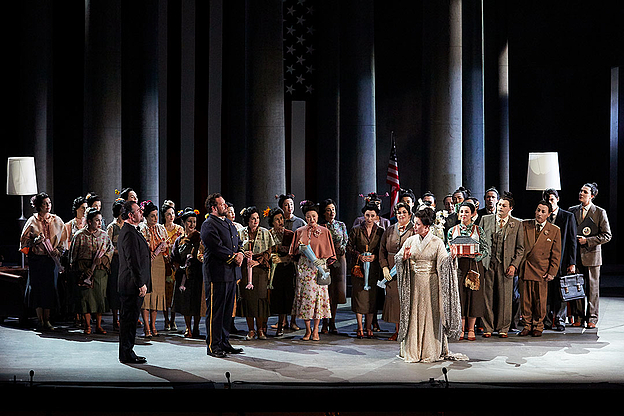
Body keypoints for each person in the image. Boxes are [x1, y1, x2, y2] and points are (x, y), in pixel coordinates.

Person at [394, 207, 464, 363]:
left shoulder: (437, 242)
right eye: (415, 223)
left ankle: (429, 350)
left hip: (431, 284)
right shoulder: (411, 240)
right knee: (413, 315)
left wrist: (451, 258)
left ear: (426, 226)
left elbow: (443, 263)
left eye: (418, 224)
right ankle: (413, 350)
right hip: (414, 283)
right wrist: (403, 259)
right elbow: (398, 258)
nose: (414, 227)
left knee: (430, 315)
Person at [201, 193, 245, 358]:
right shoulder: (208, 225)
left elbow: (238, 242)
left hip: (231, 274)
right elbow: (216, 247)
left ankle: (224, 342)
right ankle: (213, 346)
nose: (225, 206)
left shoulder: (228, 223)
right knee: (216, 312)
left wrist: (240, 253)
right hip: (217, 274)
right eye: (222, 204)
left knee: (227, 312)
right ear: (214, 207)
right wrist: (234, 257)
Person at [289, 200, 336, 341]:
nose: (311, 219)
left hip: (319, 268)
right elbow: (293, 252)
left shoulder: (324, 231)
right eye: (308, 217)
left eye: (314, 216)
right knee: (306, 300)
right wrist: (300, 248)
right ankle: (308, 330)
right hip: (304, 268)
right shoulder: (299, 231)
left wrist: (322, 262)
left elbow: (330, 253)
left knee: (318, 300)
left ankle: (316, 329)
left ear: (317, 216)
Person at [480, 192, 525, 338]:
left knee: (505, 297)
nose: (500, 207)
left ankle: (503, 328)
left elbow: (520, 249)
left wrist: (514, 265)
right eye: (499, 205)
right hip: (488, 263)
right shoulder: (485, 220)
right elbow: (479, 242)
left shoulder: (517, 224)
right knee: (487, 296)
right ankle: (487, 326)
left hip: (506, 265)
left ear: (510, 208)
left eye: (504, 206)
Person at [568, 182, 611, 329]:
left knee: (592, 289)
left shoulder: (599, 212)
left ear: (592, 196)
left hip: (592, 256)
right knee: (577, 287)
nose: (581, 193)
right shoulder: (572, 211)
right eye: (581, 191)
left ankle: (592, 318)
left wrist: (588, 241)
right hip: (576, 256)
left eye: (585, 192)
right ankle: (578, 316)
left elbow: (607, 235)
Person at [20, 192, 65, 331]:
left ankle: (48, 319)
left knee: (50, 288)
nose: (48, 206)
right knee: (38, 289)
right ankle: (40, 320)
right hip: (37, 259)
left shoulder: (56, 220)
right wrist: (34, 241)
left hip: (50, 259)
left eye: (49, 203)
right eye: (45, 203)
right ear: (39, 206)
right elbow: (23, 241)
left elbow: (64, 239)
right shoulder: (32, 221)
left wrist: (59, 250)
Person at [447, 201, 489, 341]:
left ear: (473, 214)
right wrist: (452, 254)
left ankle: (471, 329)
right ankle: (461, 328)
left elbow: (485, 250)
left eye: (467, 212)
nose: (463, 214)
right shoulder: (452, 231)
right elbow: (447, 249)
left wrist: (476, 257)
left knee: (474, 297)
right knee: (460, 297)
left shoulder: (478, 230)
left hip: (474, 266)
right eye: (461, 212)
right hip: (458, 266)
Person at [518, 200, 562, 337]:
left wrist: (552, 272)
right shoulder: (525, 225)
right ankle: (526, 325)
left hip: (542, 270)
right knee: (525, 299)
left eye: (543, 211)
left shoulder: (554, 230)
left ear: (549, 214)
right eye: (538, 210)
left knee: (540, 300)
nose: (539, 214)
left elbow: (556, 254)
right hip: (525, 268)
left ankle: (538, 325)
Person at [69, 207, 114, 334]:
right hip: (84, 271)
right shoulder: (79, 235)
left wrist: (104, 259)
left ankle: (98, 325)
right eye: (96, 220)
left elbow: (110, 250)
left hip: (100, 271)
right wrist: (82, 268)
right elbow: (73, 255)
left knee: (99, 298)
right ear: (89, 221)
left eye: (100, 220)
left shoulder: (104, 235)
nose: (99, 223)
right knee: (85, 299)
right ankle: (87, 325)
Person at [117, 200, 150, 364]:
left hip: (131, 284)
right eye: (138, 210)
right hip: (131, 285)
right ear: (131, 215)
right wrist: (140, 283)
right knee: (128, 321)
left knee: (129, 320)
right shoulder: (129, 233)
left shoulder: (132, 231)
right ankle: (126, 353)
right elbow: (133, 261)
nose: (141, 212)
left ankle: (127, 351)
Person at [347, 202, 384, 339]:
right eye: (367, 215)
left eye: (372, 216)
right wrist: (359, 255)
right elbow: (349, 247)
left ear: (376, 217)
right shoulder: (356, 229)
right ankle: (359, 327)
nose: (369, 218)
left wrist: (375, 256)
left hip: (373, 268)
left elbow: (382, 248)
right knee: (358, 297)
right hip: (359, 268)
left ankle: (369, 327)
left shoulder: (380, 231)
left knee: (371, 298)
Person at [237, 206, 275, 340]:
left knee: (260, 300)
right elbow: (236, 248)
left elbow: (269, 252)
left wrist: (258, 262)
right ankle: (251, 330)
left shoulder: (265, 233)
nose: (256, 221)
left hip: (260, 270)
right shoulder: (240, 233)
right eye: (253, 218)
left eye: (257, 218)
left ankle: (260, 329)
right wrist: (243, 253)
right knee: (248, 300)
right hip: (245, 269)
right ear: (247, 220)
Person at [542, 188, 577, 331]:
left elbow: (572, 241)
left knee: (561, 292)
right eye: (547, 200)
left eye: (552, 199)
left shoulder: (568, 216)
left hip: (562, 261)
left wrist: (572, 262)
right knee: (548, 292)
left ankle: (561, 320)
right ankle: (548, 320)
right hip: (545, 262)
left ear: (557, 199)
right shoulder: (543, 216)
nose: (549, 203)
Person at [379, 202, 414, 341]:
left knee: (408, 300)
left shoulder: (414, 229)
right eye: (399, 212)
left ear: (410, 214)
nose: (401, 215)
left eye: (404, 212)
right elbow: (381, 250)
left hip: (408, 269)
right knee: (395, 301)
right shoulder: (389, 230)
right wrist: (384, 267)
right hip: (391, 271)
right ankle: (398, 330)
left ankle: (410, 332)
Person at [171, 207, 205, 338]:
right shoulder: (179, 240)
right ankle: (187, 328)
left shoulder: (199, 237)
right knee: (185, 302)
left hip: (197, 274)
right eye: (189, 221)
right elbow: (174, 257)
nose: (192, 224)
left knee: (196, 302)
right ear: (184, 223)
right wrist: (179, 267)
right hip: (183, 275)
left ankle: (196, 327)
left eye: (194, 222)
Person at [138, 200, 169, 338]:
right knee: (147, 295)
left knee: (157, 293)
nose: (155, 218)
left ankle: (154, 324)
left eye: (156, 215)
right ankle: (146, 326)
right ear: (146, 216)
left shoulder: (161, 228)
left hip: (159, 263)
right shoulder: (141, 228)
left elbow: (166, 243)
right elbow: (140, 245)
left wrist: (162, 247)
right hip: (146, 261)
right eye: (152, 216)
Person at [319, 199, 348, 334]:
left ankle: (333, 321)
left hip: (339, 261)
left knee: (336, 292)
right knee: (325, 291)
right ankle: (324, 322)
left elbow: (345, 241)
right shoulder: (321, 226)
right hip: (325, 261)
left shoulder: (341, 225)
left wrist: (341, 249)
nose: (331, 212)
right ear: (324, 213)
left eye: (333, 209)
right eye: (328, 210)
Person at [266, 207, 296, 336]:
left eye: (281, 219)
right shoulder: (268, 233)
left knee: (284, 296)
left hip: (285, 269)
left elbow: (294, 252)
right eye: (277, 219)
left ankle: (281, 324)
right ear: (272, 222)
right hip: (270, 269)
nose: (280, 221)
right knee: (270, 296)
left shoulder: (289, 234)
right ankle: (263, 326)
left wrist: (283, 259)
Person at [162, 201, 184, 331]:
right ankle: (165, 320)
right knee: (165, 293)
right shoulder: (161, 229)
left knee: (174, 292)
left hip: (175, 262)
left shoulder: (179, 229)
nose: (171, 216)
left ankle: (173, 320)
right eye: (168, 214)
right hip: (164, 263)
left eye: (173, 214)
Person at [107, 199, 125, 330]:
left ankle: (124, 317)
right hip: (115, 261)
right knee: (115, 289)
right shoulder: (112, 227)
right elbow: (108, 247)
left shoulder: (127, 225)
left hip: (126, 261)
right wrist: (119, 251)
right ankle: (115, 318)